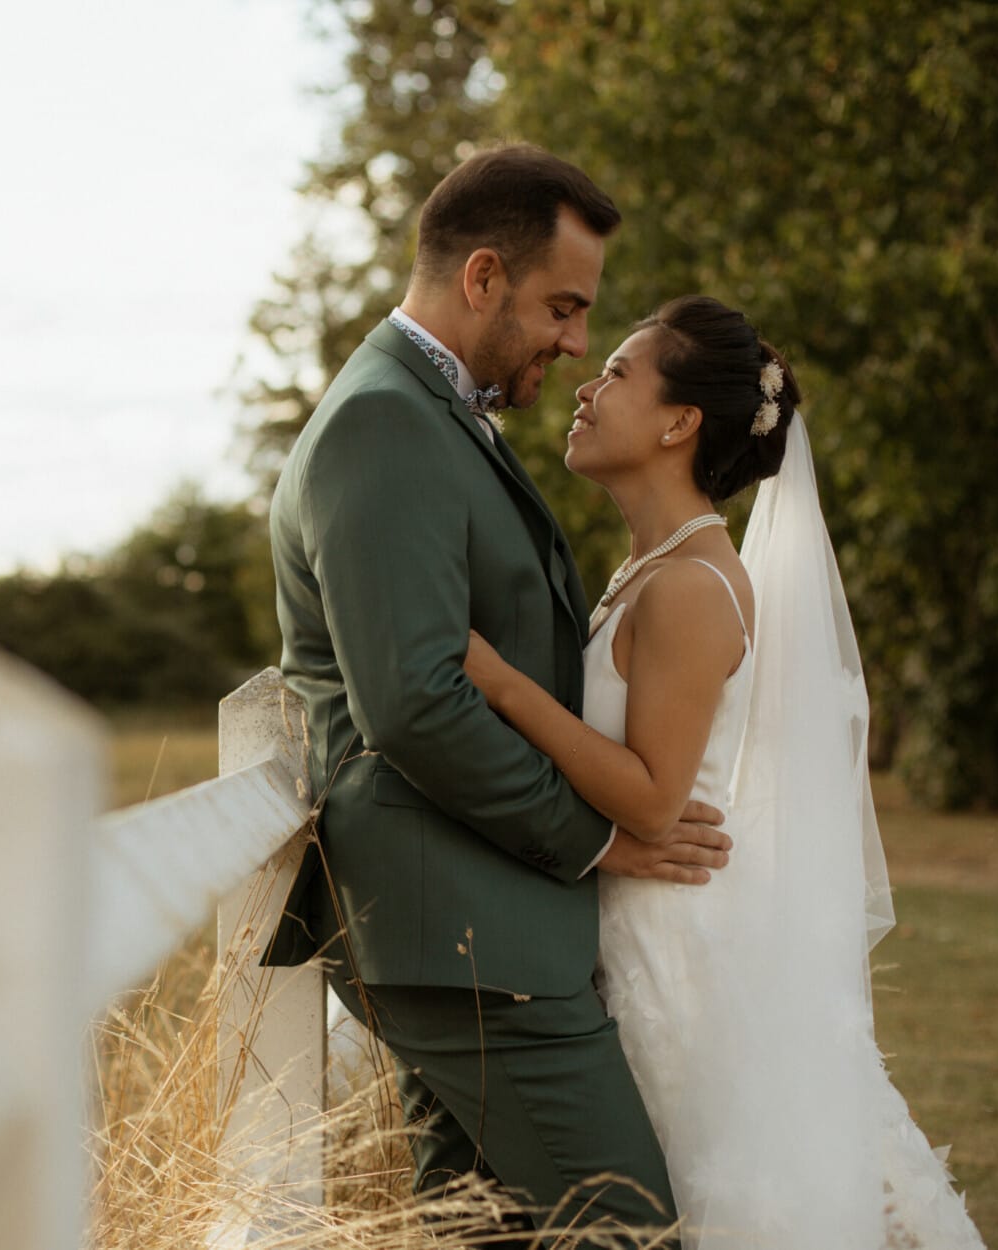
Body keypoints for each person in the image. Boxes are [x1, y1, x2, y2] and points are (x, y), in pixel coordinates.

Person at [262, 144, 730, 1242]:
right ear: (481, 277)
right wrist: (596, 838)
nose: (575, 343)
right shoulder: (385, 422)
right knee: (630, 1228)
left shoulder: (435, 415)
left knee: (483, 1231)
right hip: (466, 940)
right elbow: (416, 701)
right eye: (563, 308)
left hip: (470, 928)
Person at [462, 294, 986, 1248]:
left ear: (679, 422)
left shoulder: (693, 585)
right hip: (637, 930)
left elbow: (657, 797)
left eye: (617, 372)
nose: (586, 384)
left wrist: (501, 685)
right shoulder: (650, 570)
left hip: (679, 956)